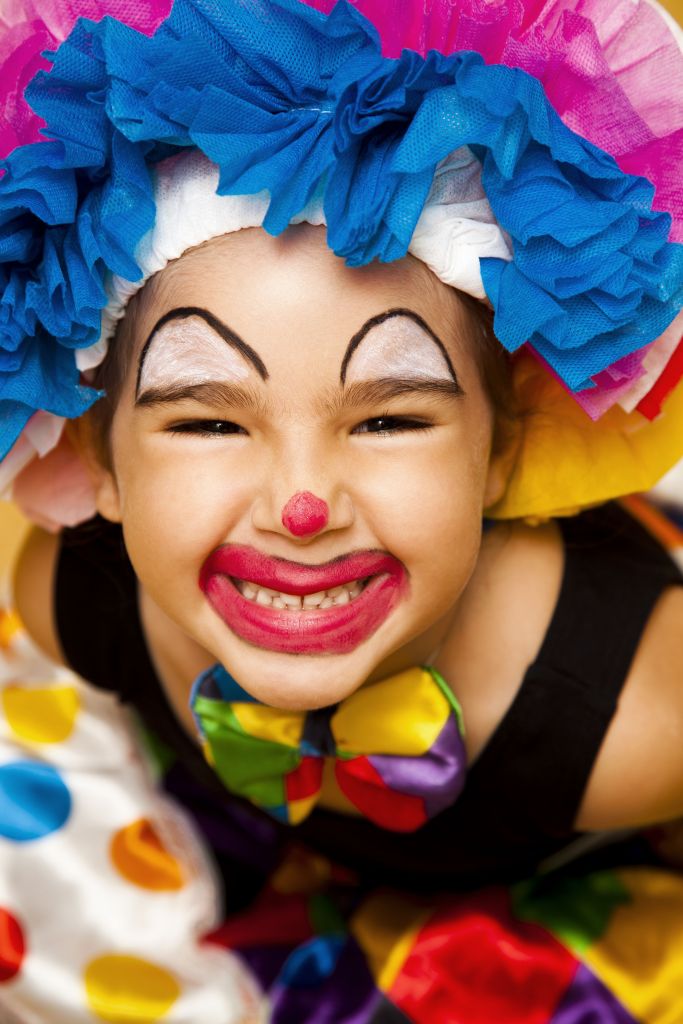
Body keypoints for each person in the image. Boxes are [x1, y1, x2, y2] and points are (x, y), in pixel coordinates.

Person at [2, 0, 683, 1020]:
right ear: (100, 460)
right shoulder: (75, 606)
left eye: (387, 421)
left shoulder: (640, 718)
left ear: (501, 451)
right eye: (207, 425)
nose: (302, 503)